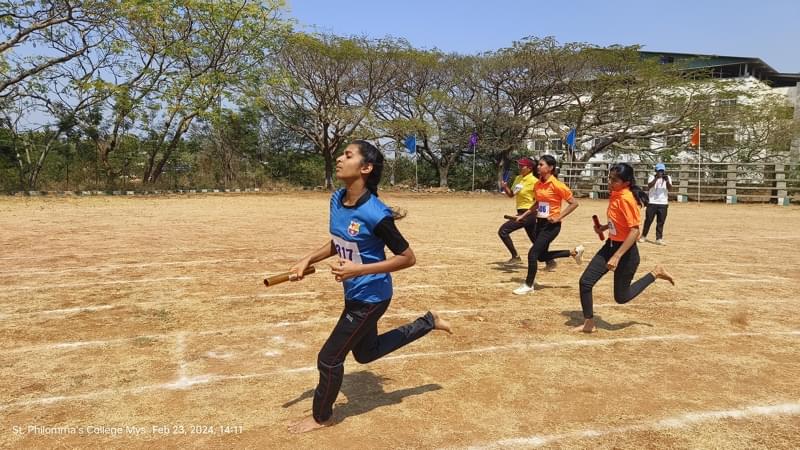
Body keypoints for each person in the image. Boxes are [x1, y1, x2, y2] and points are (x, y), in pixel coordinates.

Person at [285, 140, 452, 434]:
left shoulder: (376, 214)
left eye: (347, 155)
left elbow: (407, 258)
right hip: (355, 293)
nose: (339, 158)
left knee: (329, 359)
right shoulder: (337, 199)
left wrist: (358, 269)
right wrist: (306, 259)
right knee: (366, 353)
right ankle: (428, 322)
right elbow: (340, 242)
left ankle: (321, 417)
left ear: (365, 168)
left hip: (372, 296)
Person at [574, 163, 675, 333]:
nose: (610, 181)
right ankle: (589, 323)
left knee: (621, 297)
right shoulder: (615, 194)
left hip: (626, 253)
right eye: (609, 177)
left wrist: (617, 256)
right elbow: (619, 221)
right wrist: (604, 228)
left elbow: (635, 231)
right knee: (585, 282)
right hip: (610, 245)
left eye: (614, 180)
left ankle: (655, 273)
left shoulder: (626, 198)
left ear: (626, 182)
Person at [512, 155, 584, 295]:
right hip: (540, 223)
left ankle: (528, 285)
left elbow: (574, 203)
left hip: (552, 226)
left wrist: (559, 217)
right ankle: (573, 252)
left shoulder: (557, 185)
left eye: (541, 164)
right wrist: (523, 215)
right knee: (541, 256)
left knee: (532, 253)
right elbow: (538, 204)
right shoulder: (538, 184)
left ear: (550, 168)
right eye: (538, 165)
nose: (538, 167)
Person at [497, 157, 557, 271]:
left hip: (529, 213)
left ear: (529, 168)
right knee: (536, 240)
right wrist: (505, 188)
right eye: (519, 165)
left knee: (503, 231)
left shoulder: (534, 181)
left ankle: (515, 257)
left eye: (522, 166)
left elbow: (541, 198)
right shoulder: (518, 179)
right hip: (521, 212)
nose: (519, 167)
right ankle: (550, 261)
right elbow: (511, 195)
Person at [640, 162, 672, 245]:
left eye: (662, 171)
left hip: (663, 203)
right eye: (659, 171)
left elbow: (670, 188)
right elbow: (649, 186)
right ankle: (643, 236)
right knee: (648, 220)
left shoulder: (667, 178)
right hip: (652, 202)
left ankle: (659, 238)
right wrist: (656, 178)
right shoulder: (652, 177)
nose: (660, 173)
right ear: (656, 171)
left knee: (661, 222)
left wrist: (667, 181)